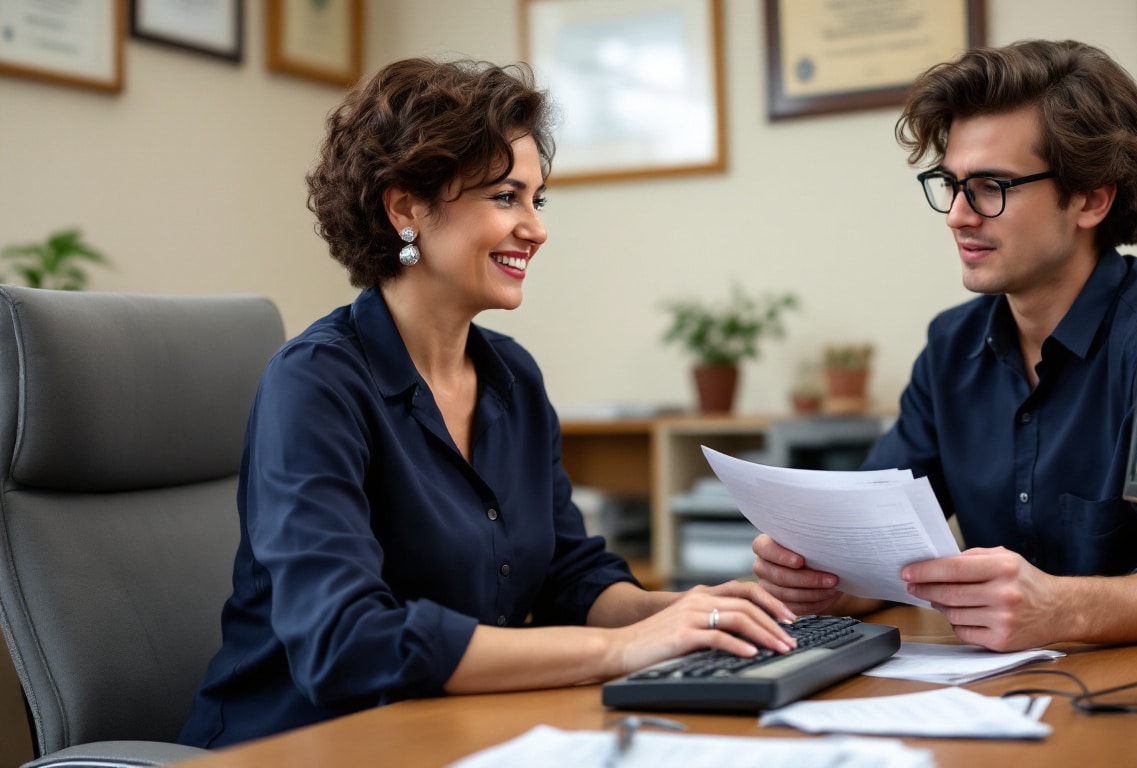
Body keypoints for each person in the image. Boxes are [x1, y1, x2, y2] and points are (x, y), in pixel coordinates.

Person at [179, 58, 796, 749]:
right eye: (506, 196)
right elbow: (346, 644)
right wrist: (626, 650)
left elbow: (571, 578)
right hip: (299, 747)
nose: (535, 228)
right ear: (406, 206)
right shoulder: (314, 385)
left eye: (538, 200)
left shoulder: (513, 379)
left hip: (457, 735)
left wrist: (684, 610)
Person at [751, 39, 1137, 652]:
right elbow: (874, 541)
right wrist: (824, 579)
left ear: (1091, 198)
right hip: (993, 705)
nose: (957, 216)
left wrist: (1061, 608)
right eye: (951, 184)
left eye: (992, 186)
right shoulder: (952, 346)